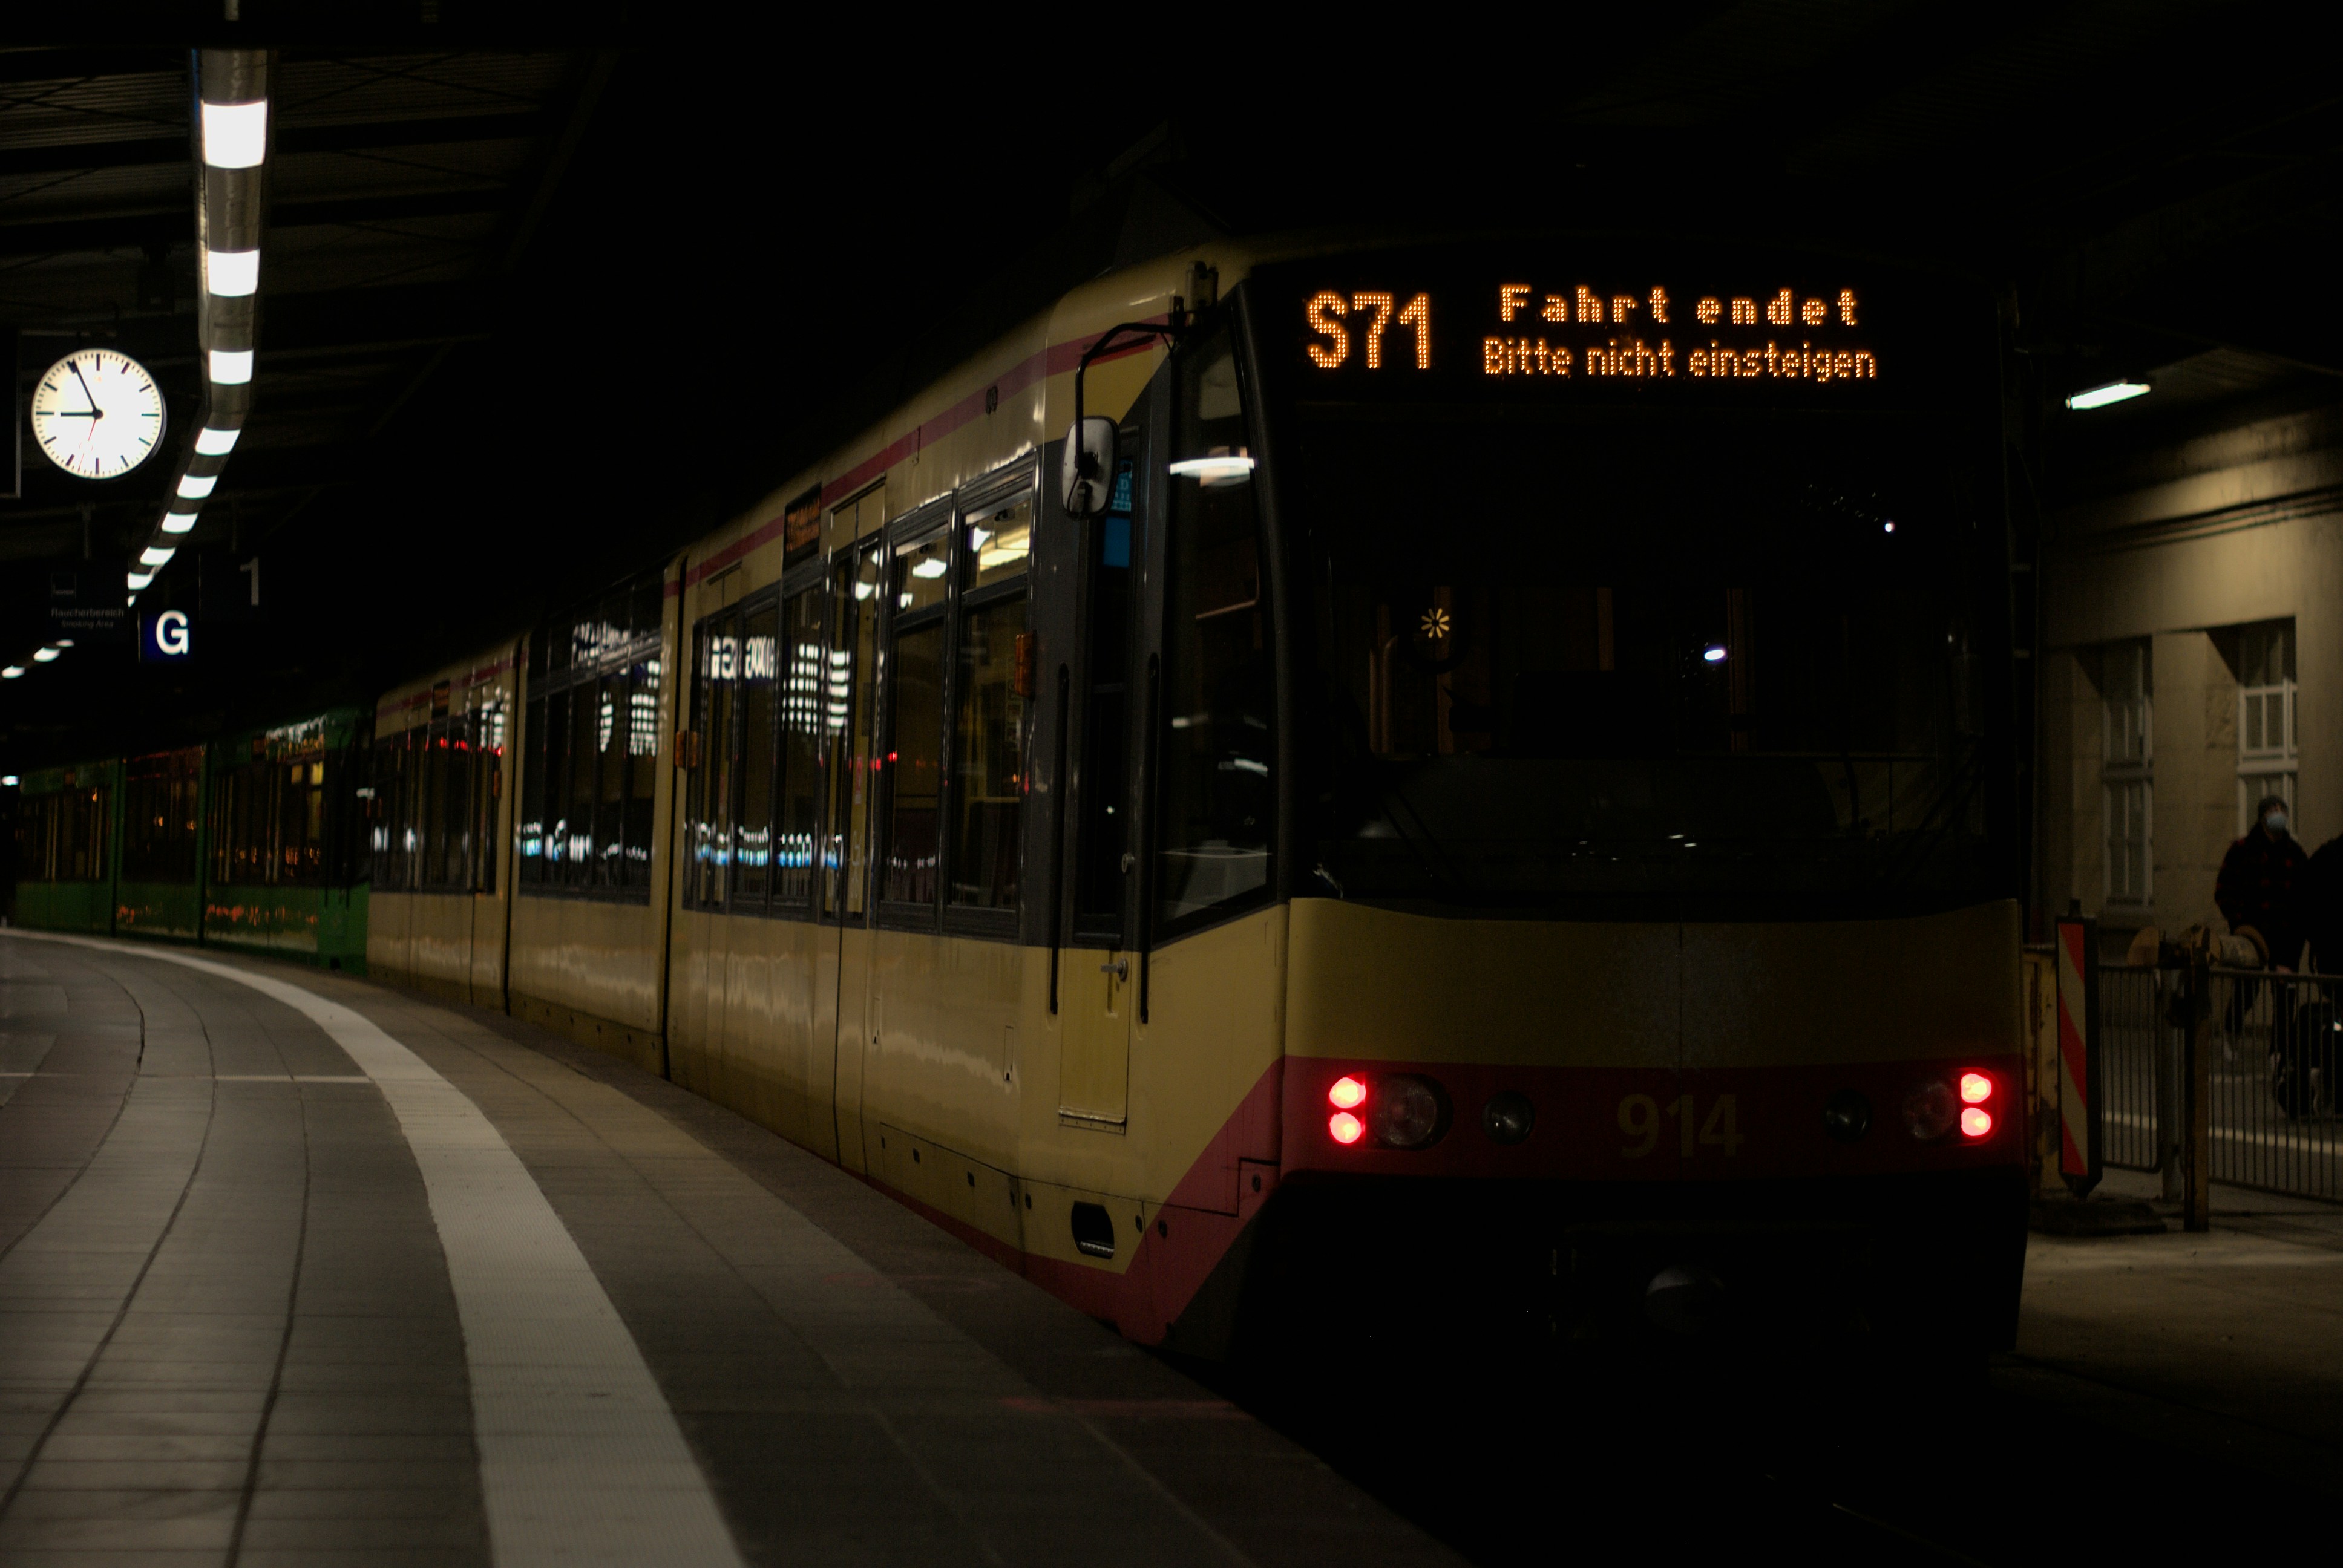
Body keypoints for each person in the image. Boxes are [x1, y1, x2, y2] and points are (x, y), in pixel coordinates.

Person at [2215, 794, 2309, 970]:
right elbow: (2224, 890)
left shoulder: (2295, 854)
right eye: (2273, 810)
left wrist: (2297, 930)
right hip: (2250, 933)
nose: (2279, 814)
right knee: (2246, 990)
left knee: (2285, 992)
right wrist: (2239, 921)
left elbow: (2305, 896)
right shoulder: (2242, 850)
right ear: (2262, 816)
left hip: (2286, 938)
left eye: (2282, 810)